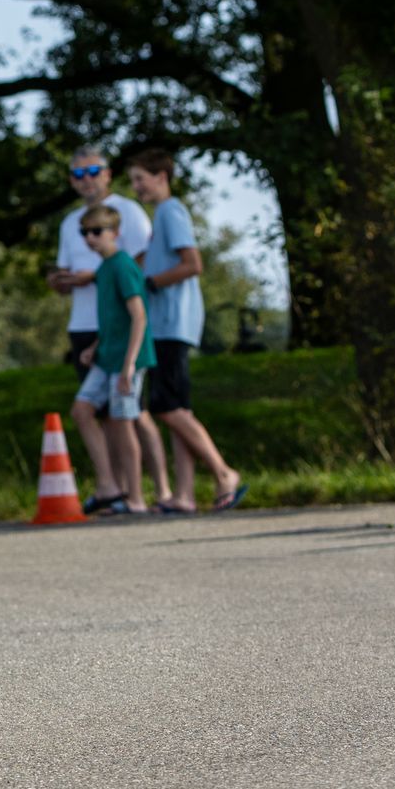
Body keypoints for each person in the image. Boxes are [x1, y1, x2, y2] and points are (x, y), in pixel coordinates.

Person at [125, 145, 246, 512]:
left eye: (140, 180)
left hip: (171, 323)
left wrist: (151, 284)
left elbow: (192, 263)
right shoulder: (162, 216)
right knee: (178, 409)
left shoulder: (171, 211)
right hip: (168, 323)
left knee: (167, 407)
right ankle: (185, 494)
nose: (136, 188)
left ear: (162, 176)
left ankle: (224, 473)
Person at [48, 145, 169, 511]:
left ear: (106, 173)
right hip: (92, 328)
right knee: (101, 412)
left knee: (133, 413)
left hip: (125, 332)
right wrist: (67, 280)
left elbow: (143, 265)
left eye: (93, 171)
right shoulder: (70, 223)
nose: (91, 238)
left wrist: (102, 278)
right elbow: (68, 266)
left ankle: (154, 491)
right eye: (78, 174)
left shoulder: (128, 214)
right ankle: (113, 488)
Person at [71, 204, 155, 513]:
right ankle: (108, 485)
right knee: (82, 410)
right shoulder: (103, 270)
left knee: (122, 423)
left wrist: (129, 365)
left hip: (125, 359)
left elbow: (139, 316)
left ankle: (136, 497)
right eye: (84, 233)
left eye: (96, 232)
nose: (90, 238)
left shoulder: (122, 266)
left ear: (115, 233)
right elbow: (112, 318)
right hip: (106, 354)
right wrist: (95, 345)